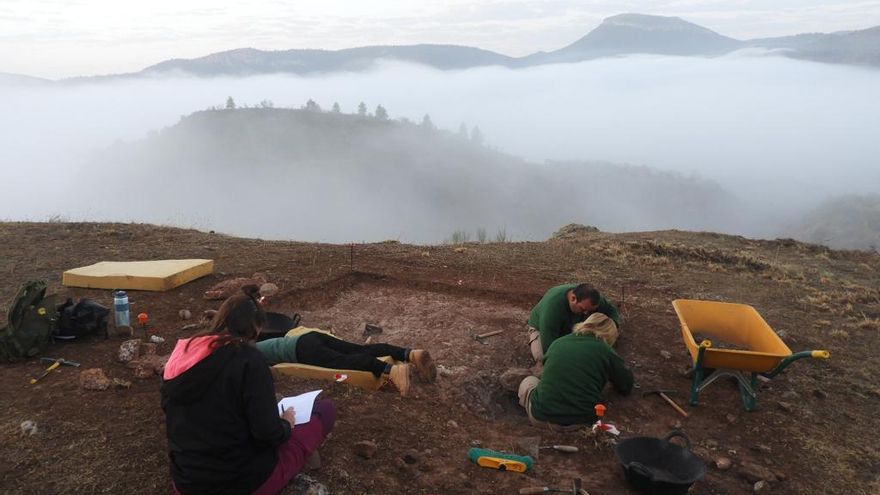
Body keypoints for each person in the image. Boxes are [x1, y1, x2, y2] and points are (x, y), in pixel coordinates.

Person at [161, 286, 336, 495]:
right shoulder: (247, 360)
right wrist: (286, 424)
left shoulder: (184, 354)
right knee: (324, 410)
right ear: (255, 327)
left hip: (186, 483)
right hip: (242, 482)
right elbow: (268, 435)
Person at [518, 313, 633, 430]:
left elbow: (546, 373)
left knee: (529, 381)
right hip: (581, 423)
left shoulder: (558, 343)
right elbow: (626, 385)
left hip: (541, 419)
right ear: (610, 334)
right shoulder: (606, 351)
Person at [256, 329, 436, 398]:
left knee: (343, 362)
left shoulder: (245, 356)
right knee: (358, 349)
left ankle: (390, 370)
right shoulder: (250, 345)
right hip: (308, 338)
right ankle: (409, 354)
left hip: (301, 350)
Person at [527, 283, 621, 366]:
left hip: (571, 327)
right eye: (583, 309)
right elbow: (548, 345)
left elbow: (611, 311)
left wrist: (612, 328)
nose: (586, 313)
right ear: (573, 299)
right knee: (544, 359)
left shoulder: (591, 299)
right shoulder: (552, 308)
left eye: (590, 311)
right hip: (542, 330)